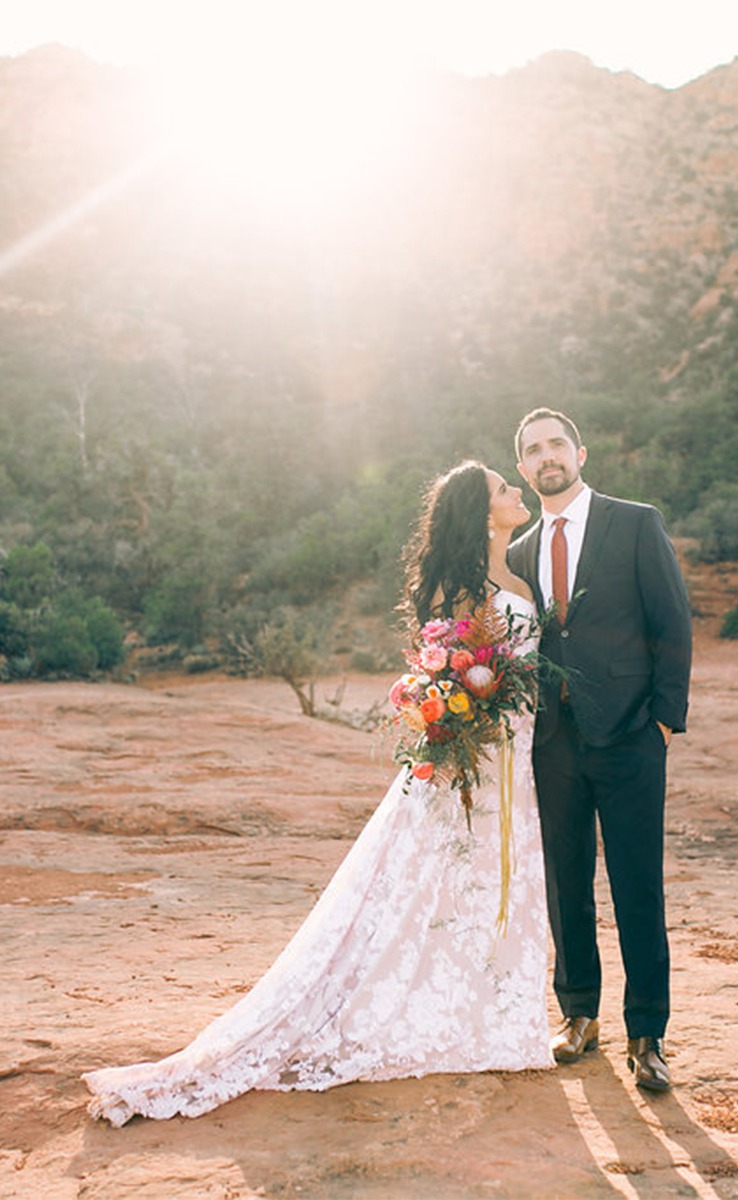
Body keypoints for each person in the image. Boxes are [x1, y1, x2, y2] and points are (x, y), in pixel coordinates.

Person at [82, 461, 553, 1126]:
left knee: (490, 881)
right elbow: (451, 661)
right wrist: (457, 709)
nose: (516, 494)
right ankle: (433, 1007)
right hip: (474, 758)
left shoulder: (519, 574)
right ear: (482, 513)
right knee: (444, 878)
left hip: (520, 757)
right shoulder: (465, 587)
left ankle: (493, 1003)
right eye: (505, 489)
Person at [508, 408, 692, 1092]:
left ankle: (648, 1035)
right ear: (524, 469)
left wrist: (664, 722)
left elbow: (671, 621)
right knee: (566, 884)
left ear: (579, 451)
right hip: (554, 745)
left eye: (557, 443)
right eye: (533, 450)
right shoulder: (522, 551)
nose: (547, 456)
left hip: (632, 738)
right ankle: (578, 1016)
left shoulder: (635, 521)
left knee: (638, 886)